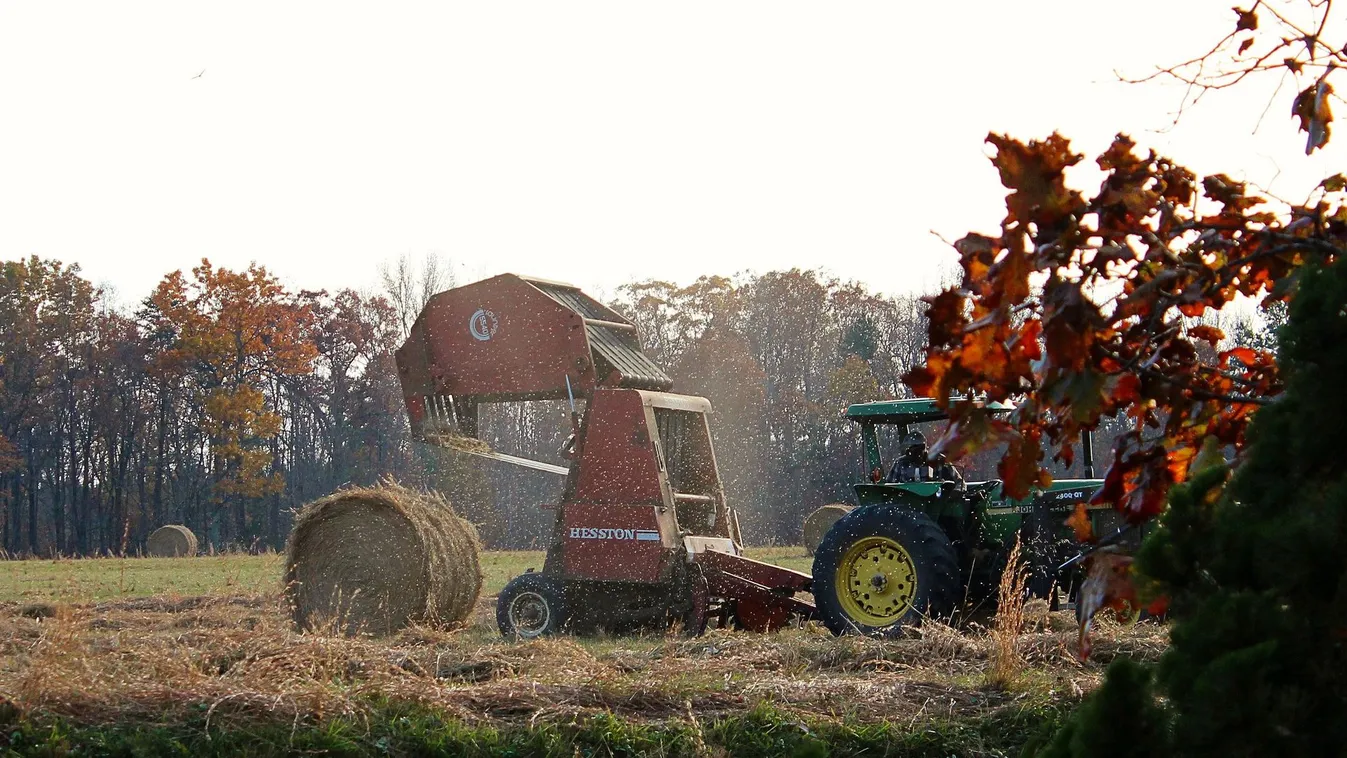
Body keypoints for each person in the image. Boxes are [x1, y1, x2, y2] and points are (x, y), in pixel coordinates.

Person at [887, 430, 964, 486]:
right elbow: (889, 487)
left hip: (937, 504)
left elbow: (960, 484)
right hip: (906, 504)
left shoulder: (940, 461)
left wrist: (951, 494)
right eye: (908, 450)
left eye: (915, 450)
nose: (910, 453)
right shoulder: (900, 464)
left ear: (923, 448)